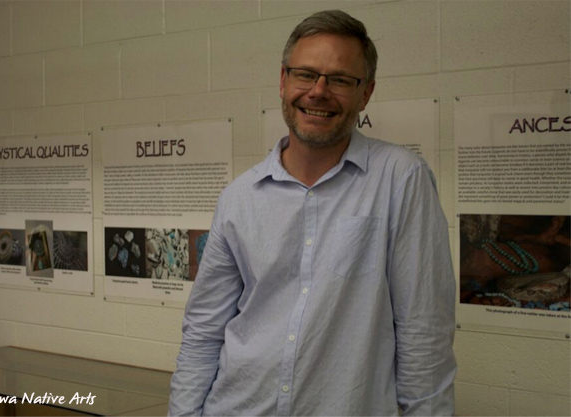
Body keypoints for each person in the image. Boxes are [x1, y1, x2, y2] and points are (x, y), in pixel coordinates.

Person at [169, 9, 456, 416]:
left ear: (366, 93)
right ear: (283, 81)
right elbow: (203, 331)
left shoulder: (401, 180)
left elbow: (424, 335)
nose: (318, 91)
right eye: (305, 74)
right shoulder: (239, 197)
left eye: (339, 80)